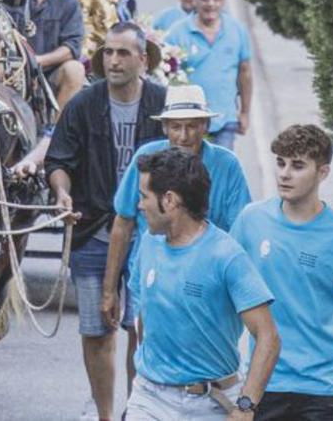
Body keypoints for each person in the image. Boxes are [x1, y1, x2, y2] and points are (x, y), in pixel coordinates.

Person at [44, 23, 168, 421]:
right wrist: (62, 192)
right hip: (94, 231)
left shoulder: (162, 104)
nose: (114, 61)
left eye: (123, 53)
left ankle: (138, 410)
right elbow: (59, 160)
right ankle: (105, 414)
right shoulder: (83, 104)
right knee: (97, 329)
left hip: (150, 236)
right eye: (108, 53)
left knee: (142, 330)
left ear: (142, 60)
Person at [230, 125, 333, 421]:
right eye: (281, 163)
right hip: (264, 383)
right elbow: (224, 290)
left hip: (321, 391)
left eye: (297, 166)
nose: (284, 173)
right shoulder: (252, 221)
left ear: (322, 172)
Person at [126, 147, 279, 420]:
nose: (139, 205)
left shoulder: (227, 256)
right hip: (148, 397)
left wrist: (246, 406)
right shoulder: (148, 243)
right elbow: (144, 317)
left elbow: (268, 337)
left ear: (169, 200)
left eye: (144, 197)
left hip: (211, 403)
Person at [102, 84, 252, 359]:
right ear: (165, 128)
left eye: (192, 126)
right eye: (176, 127)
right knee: (142, 345)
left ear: (205, 125)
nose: (183, 136)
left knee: (203, 348)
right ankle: (137, 401)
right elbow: (123, 222)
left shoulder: (226, 164)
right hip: (152, 272)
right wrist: (110, 290)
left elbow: (241, 232)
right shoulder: (146, 160)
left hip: (206, 277)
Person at [162, 0, 252, 150]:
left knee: (220, 173)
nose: (211, 4)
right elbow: (163, 76)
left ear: (223, 1)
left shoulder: (237, 30)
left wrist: (245, 112)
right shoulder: (176, 33)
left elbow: (245, 72)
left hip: (225, 120)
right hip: (187, 122)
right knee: (188, 173)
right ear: (194, 0)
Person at [9, 0, 86, 114]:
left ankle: (55, 132)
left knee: (75, 69)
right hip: (12, 71)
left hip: (52, 73)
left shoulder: (68, 2)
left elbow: (72, 46)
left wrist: (38, 61)